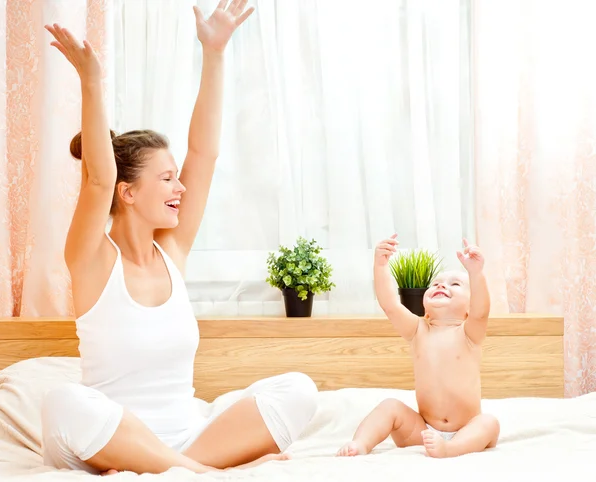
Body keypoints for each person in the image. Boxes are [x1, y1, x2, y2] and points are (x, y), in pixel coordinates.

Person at [40, 1, 318, 476]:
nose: (180, 188)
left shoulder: (171, 250)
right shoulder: (90, 259)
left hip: (188, 437)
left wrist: (214, 53)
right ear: (127, 193)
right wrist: (91, 82)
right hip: (108, 438)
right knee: (63, 401)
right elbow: (97, 182)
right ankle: (202, 471)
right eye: (166, 179)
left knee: (300, 389)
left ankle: (181, 467)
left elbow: (204, 155)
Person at [337, 234, 500, 458]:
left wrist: (476, 273)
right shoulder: (418, 330)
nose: (442, 285)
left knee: (489, 423)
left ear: (468, 309)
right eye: (435, 284)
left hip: (466, 429)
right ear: (424, 307)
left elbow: (482, 311)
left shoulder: (469, 333)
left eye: (455, 284)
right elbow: (391, 305)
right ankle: (360, 444)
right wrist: (380, 264)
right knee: (389, 406)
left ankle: (451, 449)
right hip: (422, 431)